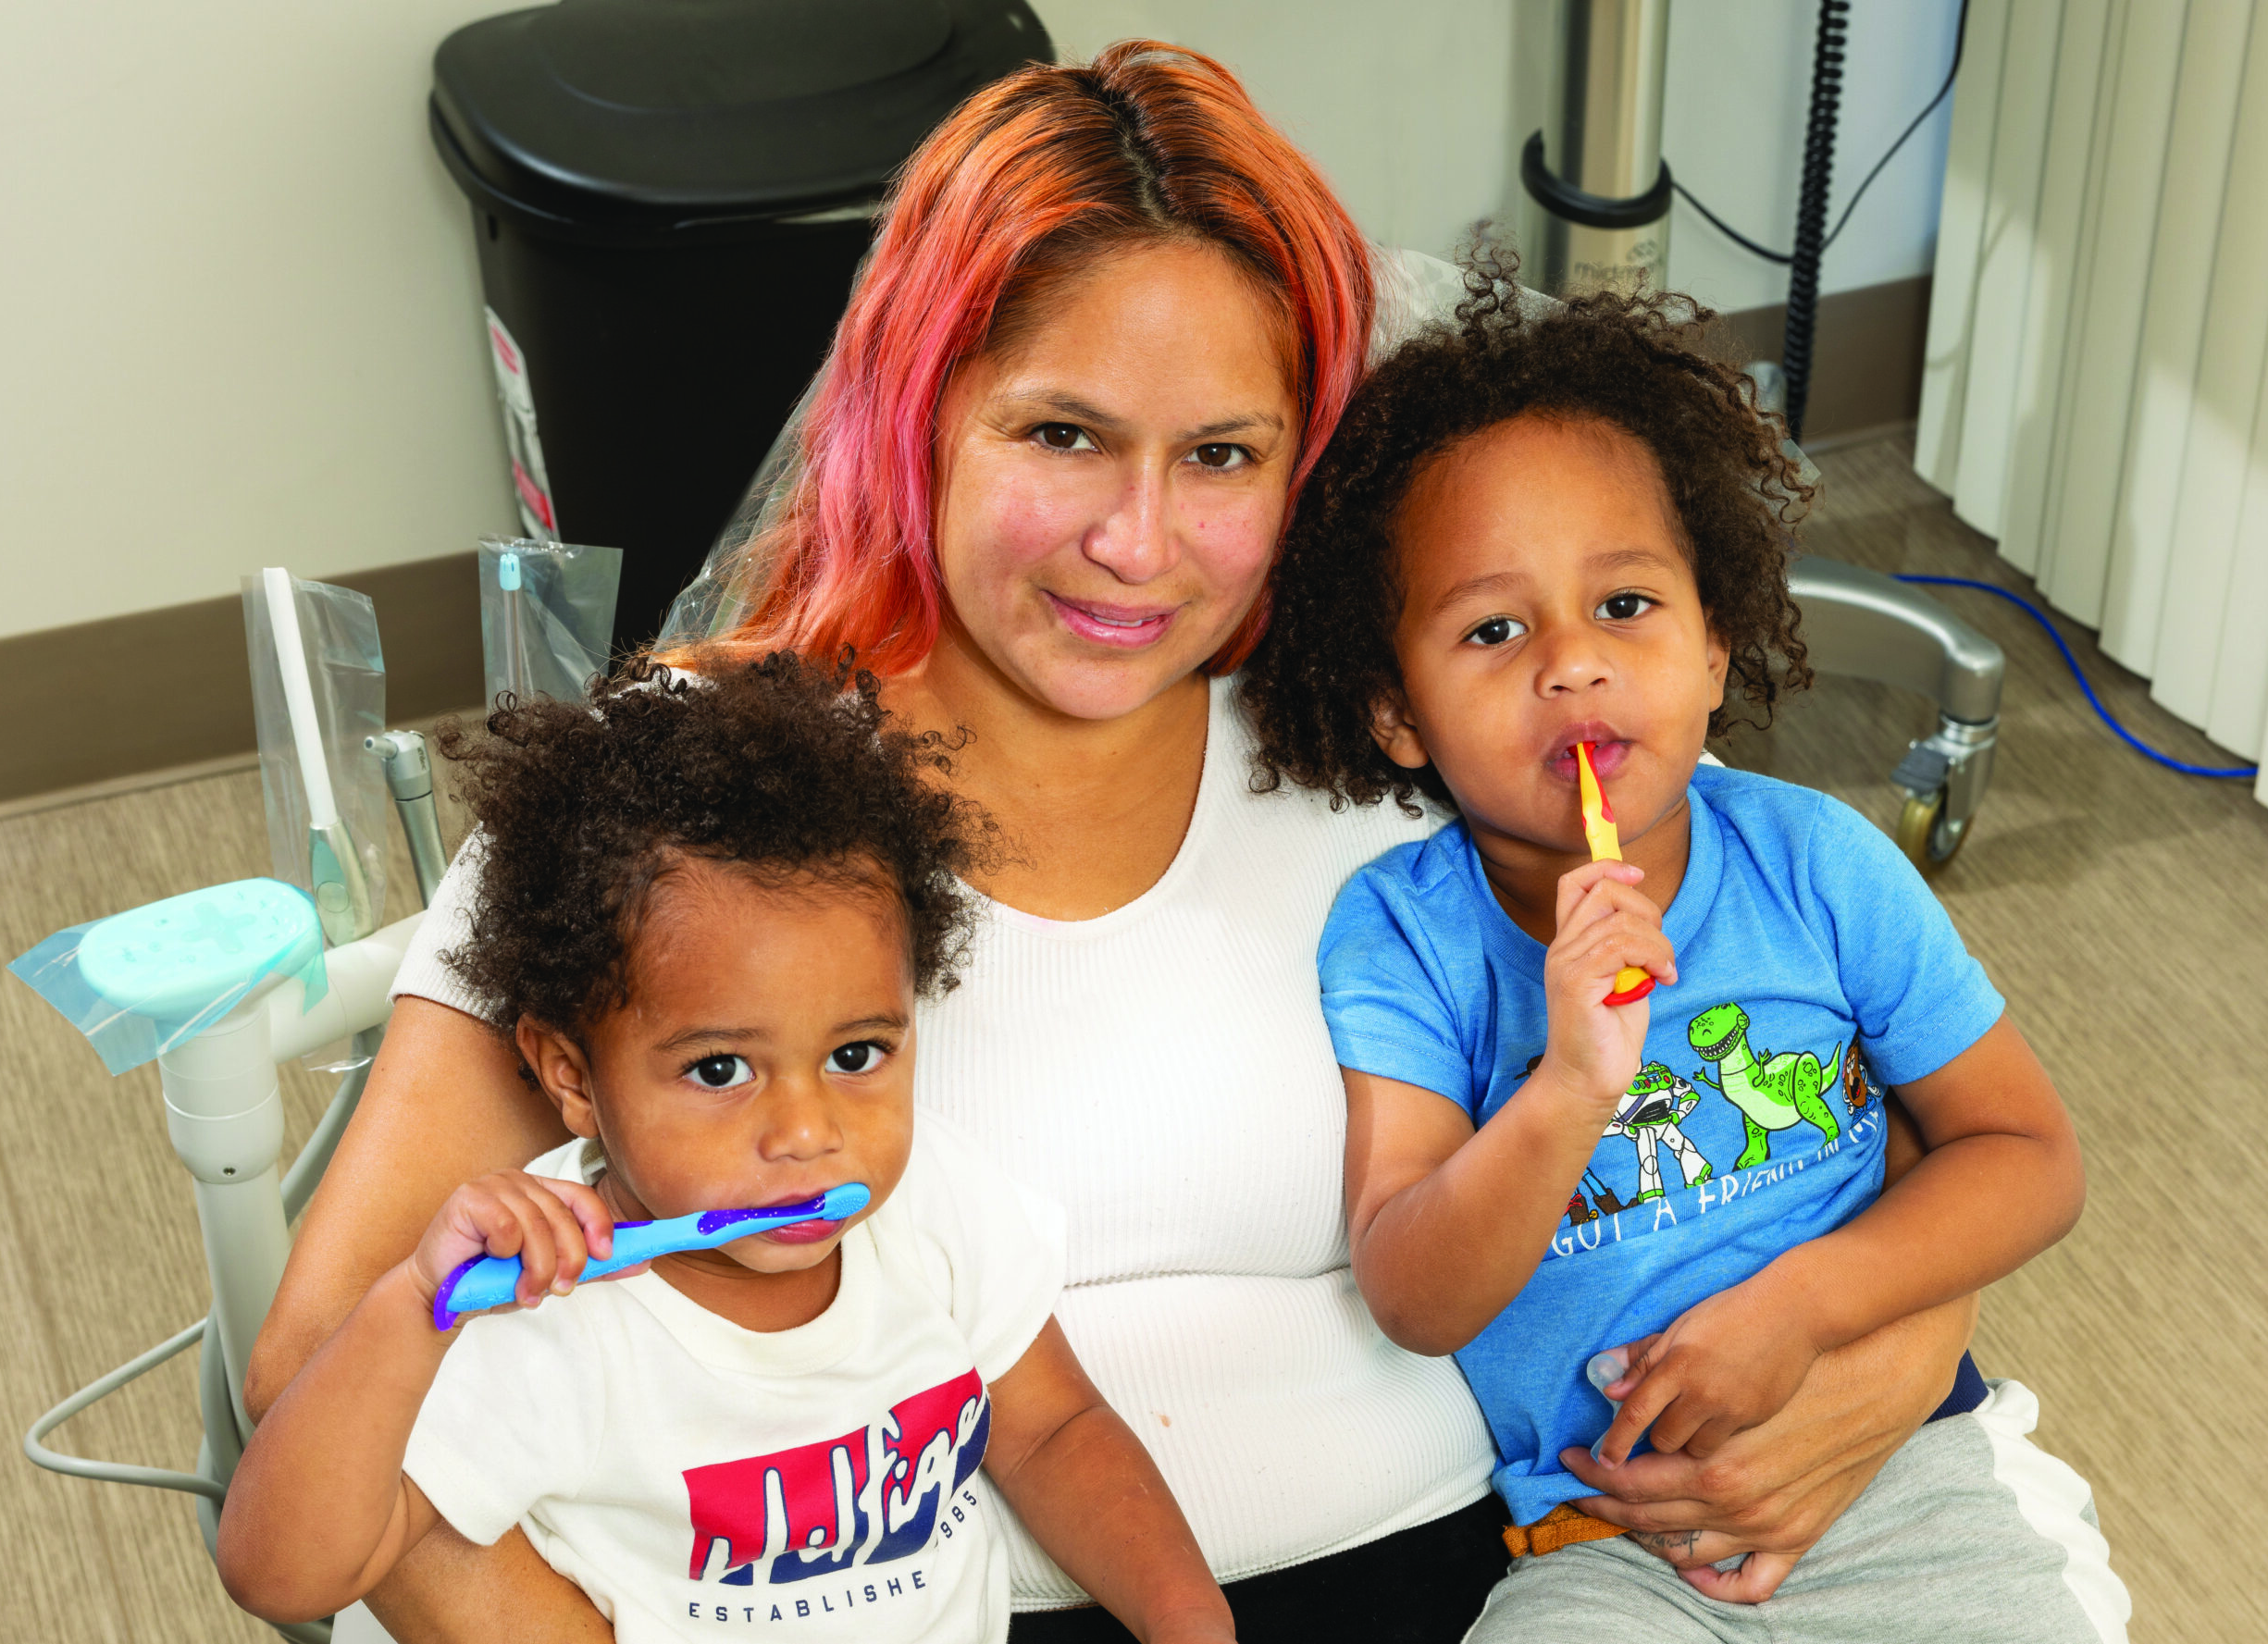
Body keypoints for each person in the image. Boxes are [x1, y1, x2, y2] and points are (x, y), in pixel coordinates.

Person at [250, 44, 1990, 1643]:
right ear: (915, 409)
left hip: (1521, 1578)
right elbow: (315, 1377)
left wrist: (1895, 1367)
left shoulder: (1393, 746)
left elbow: (1879, 1115)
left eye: (1220, 455)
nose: (1135, 547)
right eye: (1062, 434)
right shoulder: (692, 806)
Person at [1238, 278, 2131, 1639]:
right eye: (1492, 630)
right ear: (1395, 712)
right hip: (1603, 1550)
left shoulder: (1817, 864)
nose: (1571, 667)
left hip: (1908, 1481)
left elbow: (2028, 1157)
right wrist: (1569, 1086)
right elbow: (1415, 1292)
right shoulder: (1403, 932)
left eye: (1628, 605)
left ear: (1716, 646)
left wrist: (1804, 1305)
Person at [217, 657, 1234, 1642]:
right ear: (571, 1076)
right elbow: (280, 1571)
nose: (806, 1133)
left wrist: (1186, 1617)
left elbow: (1054, 1430)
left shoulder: (930, 1204)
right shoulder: (537, 1312)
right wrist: (407, 1309)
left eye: (856, 1053)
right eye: (719, 1071)